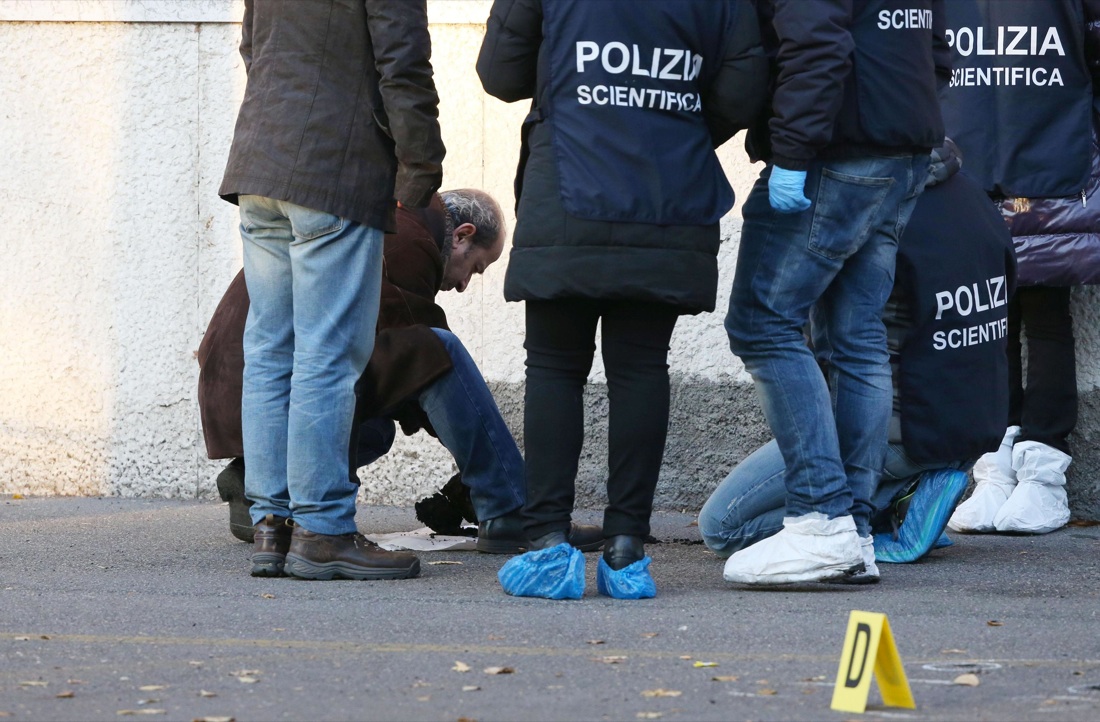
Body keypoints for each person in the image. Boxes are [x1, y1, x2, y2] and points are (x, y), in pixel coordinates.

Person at [477, 0, 768, 599]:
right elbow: (742, 90)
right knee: (641, 368)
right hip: (667, 193)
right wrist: (669, 126)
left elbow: (500, 75)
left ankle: (547, 543)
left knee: (555, 367)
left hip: (567, 193)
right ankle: (627, 544)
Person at [198, 190, 603, 557]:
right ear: (461, 235)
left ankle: (260, 483)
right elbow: (429, 369)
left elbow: (392, 362)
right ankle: (512, 508)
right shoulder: (407, 239)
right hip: (268, 388)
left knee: (377, 428)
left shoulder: (393, 218)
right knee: (442, 346)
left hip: (243, 396)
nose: (463, 286)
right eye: (475, 269)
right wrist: (483, 469)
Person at [700, 141, 1017, 568]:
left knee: (722, 527)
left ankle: (886, 509)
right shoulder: (971, 194)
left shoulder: (864, 201)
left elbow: (819, 341)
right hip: (976, 423)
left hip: (903, 433)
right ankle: (906, 489)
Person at [720, 0, 951, 586]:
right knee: (858, 337)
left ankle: (822, 519)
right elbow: (938, 55)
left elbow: (816, 46)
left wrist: (792, 152)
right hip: (902, 152)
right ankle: (853, 528)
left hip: (839, 153)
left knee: (763, 324)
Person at [217, 0, 445, 580]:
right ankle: (322, 529)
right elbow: (404, 61)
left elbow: (253, 46)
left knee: (271, 350)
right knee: (327, 353)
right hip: (332, 166)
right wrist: (421, 166)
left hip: (259, 160)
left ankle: (273, 525)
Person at [944, 0, 1100, 536]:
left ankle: (1043, 468)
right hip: (975, 159)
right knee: (988, 316)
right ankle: (994, 467)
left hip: (1046, 161)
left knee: (1041, 307)